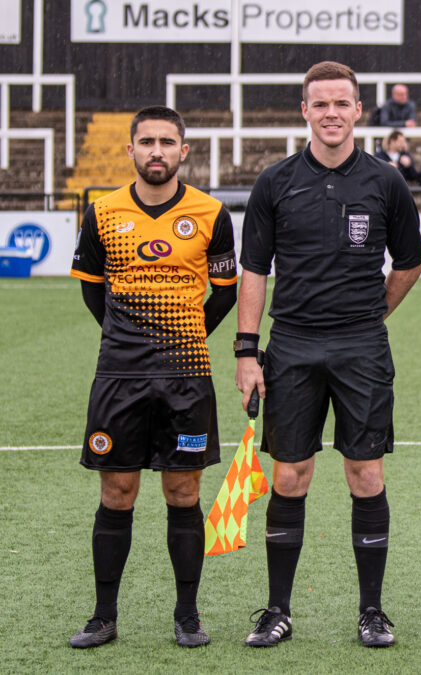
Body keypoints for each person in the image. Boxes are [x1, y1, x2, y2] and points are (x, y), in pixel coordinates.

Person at [234, 61, 421, 649]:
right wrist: (247, 351)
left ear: (358, 110)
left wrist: (370, 316)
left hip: (361, 345)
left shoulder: (386, 181)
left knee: (366, 473)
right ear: (305, 111)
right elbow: (254, 271)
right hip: (290, 345)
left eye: (342, 103)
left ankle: (372, 611)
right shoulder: (275, 181)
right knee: (289, 474)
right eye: (321, 104)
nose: (332, 113)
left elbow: (411, 262)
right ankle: (277, 610)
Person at [68, 105, 238, 649]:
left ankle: (187, 615)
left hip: (187, 378)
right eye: (147, 142)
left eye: (167, 142)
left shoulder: (211, 213)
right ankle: (103, 616)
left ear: (184, 151)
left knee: (182, 491)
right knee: (117, 490)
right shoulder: (103, 212)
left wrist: (181, 337)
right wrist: (127, 340)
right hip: (119, 377)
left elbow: (227, 291)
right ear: (131, 150)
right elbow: (93, 287)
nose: (156, 151)